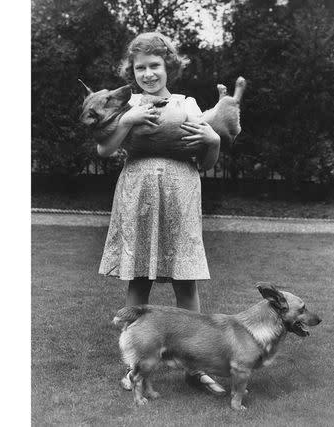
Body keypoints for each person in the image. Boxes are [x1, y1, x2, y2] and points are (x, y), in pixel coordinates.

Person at [96, 32, 225, 396]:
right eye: (141, 67)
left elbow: (206, 161)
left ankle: (196, 367)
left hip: (181, 191)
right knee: (139, 278)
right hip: (137, 192)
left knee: (186, 280)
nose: (149, 73)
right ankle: (133, 367)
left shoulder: (188, 104)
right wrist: (127, 120)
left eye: (155, 65)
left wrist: (213, 142)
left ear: (169, 67)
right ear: (131, 70)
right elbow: (105, 150)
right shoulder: (124, 104)